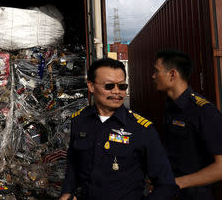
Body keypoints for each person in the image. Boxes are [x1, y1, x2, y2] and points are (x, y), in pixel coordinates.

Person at [60, 57, 178, 200]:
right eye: (109, 86)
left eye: (122, 86)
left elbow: (166, 186)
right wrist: (67, 192)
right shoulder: (79, 120)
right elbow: (73, 163)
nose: (117, 92)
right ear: (91, 86)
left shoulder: (142, 129)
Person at [153, 49, 222, 199]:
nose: (153, 76)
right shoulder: (170, 106)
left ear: (172, 74)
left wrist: (176, 182)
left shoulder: (203, 111)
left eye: (156, 71)